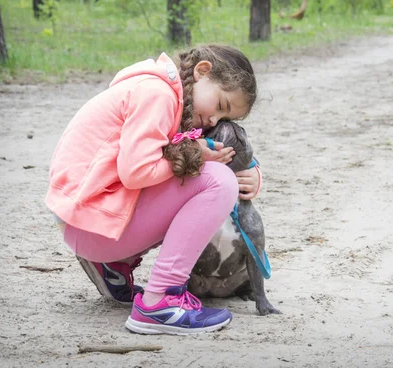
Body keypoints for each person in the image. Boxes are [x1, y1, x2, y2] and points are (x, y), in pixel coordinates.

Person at [45, 45, 261, 335]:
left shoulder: (167, 91)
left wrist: (252, 172)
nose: (213, 122)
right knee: (218, 181)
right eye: (221, 106)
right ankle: (161, 301)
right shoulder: (158, 95)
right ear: (202, 71)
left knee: (209, 178)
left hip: (86, 219)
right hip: (92, 225)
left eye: (224, 120)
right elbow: (137, 173)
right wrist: (197, 157)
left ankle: (115, 265)